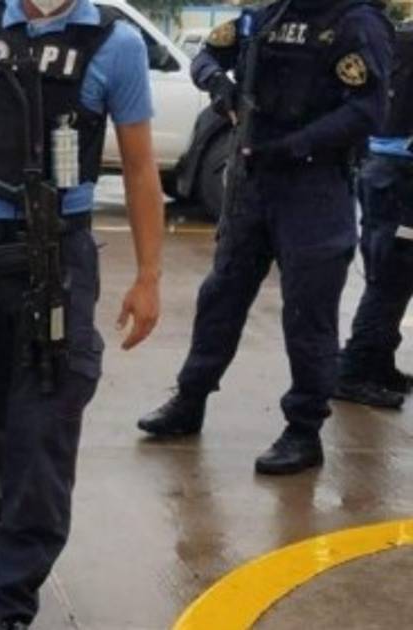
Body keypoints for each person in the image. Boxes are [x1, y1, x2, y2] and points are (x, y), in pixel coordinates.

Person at [0, 0, 164, 625]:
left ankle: (13, 598)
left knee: (45, 424)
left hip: (59, 253)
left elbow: (139, 165)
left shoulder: (117, 43)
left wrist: (149, 278)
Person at [138, 0, 392, 474]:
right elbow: (206, 56)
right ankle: (190, 399)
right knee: (221, 298)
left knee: (308, 315)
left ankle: (304, 430)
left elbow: (368, 110)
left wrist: (299, 144)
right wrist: (220, 86)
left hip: (315, 187)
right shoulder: (268, 16)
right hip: (255, 184)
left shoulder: (356, 23)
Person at [334, 20, 413, 409]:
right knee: (391, 278)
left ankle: (378, 362)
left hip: (380, 170)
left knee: (393, 273)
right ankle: (353, 372)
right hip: (400, 176)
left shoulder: (395, 35)